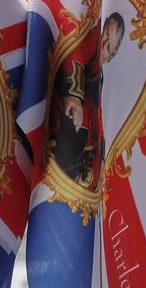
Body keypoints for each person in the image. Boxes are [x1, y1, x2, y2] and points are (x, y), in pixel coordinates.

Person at [50, 12, 124, 188]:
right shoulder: (91, 36)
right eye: (106, 36)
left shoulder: (103, 72)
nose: (105, 47)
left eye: (110, 49)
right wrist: (73, 95)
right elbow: (77, 53)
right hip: (62, 108)